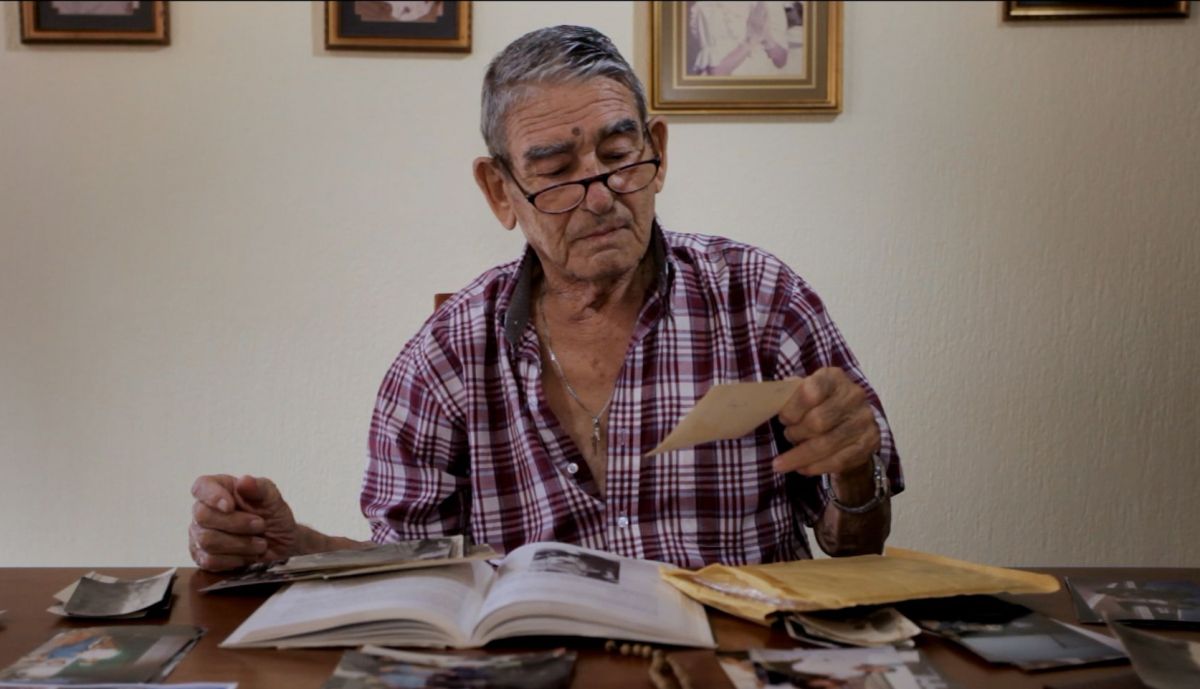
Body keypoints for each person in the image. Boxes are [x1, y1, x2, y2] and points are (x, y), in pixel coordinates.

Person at [189, 25, 903, 572]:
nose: (599, 195)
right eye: (557, 171)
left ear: (657, 151)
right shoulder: (448, 354)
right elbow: (409, 569)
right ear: (501, 191)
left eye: (620, 156)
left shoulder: (762, 298)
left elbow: (855, 548)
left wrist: (851, 466)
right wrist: (290, 545)